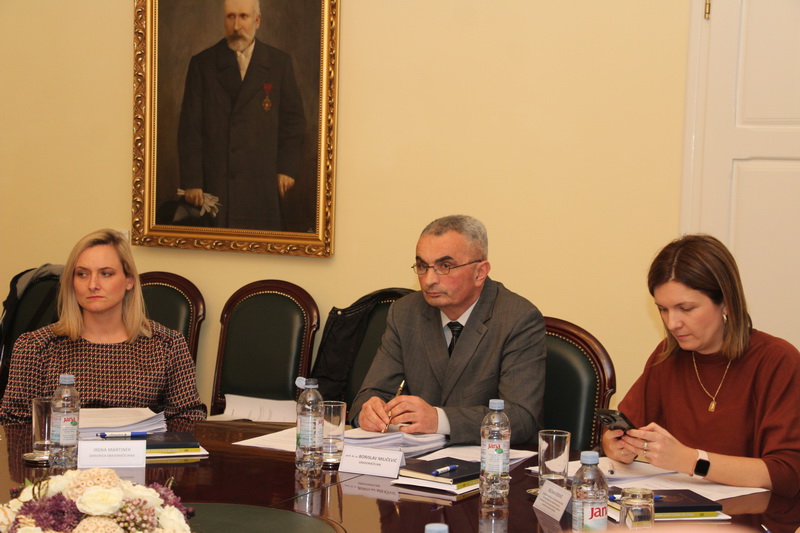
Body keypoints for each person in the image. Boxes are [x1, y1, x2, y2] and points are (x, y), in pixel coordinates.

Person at [602, 234, 800, 497]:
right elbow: (623, 429)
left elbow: (787, 473)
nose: (672, 323)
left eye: (686, 308)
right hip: (679, 508)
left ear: (726, 303)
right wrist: (615, 445)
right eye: (663, 309)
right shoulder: (668, 356)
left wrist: (692, 461)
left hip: (752, 514)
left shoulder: (777, 360)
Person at [349, 215, 546, 445]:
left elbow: (521, 417)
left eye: (445, 266)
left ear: (480, 272)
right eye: (422, 266)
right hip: (414, 458)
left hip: (490, 460)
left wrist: (439, 420)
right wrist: (369, 411)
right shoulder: (405, 313)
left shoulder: (518, 318)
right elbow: (369, 394)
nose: (429, 280)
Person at [0, 229, 207, 424]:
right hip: (62, 451)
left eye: (106, 273)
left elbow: (188, 418)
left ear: (129, 281)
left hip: (142, 450)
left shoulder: (167, 345)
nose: (92, 285)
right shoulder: (35, 346)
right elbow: (14, 424)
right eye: (82, 274)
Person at [178, 0, 306, 231]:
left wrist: (287, 168)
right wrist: (192, 181)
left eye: (243, 17)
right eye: (230, 17)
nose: (236, 26)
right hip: (217, 185)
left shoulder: (279, 63)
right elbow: (190, 128)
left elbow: (293, 122)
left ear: (257, 20)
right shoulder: (202, 64)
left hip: (262, 184)